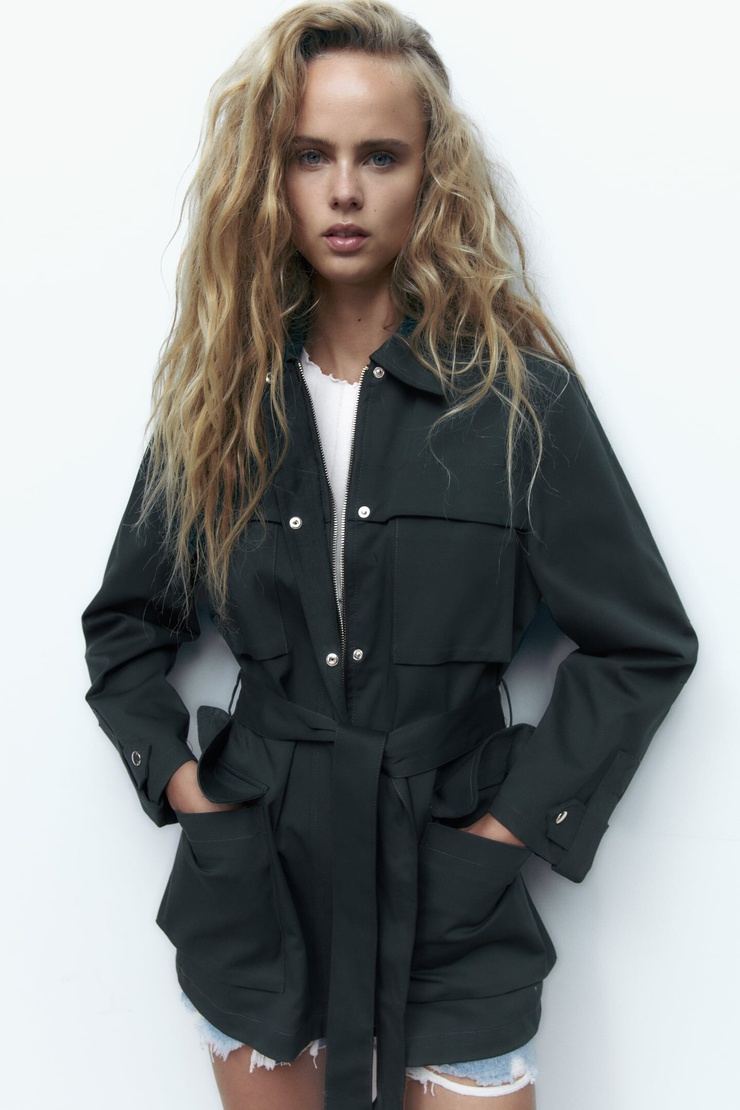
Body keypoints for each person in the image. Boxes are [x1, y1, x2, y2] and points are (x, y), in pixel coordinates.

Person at [81, 2, 697, 1108]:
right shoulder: (217, 407)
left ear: (430, 176)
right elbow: (124, 628)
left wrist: (505, 833)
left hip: (449, 896)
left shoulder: (518, 404)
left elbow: (641, 643)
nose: (344, 191)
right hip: (259, 890)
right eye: (307, 155)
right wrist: (187, 791)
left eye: (379, 156)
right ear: (268, 178)